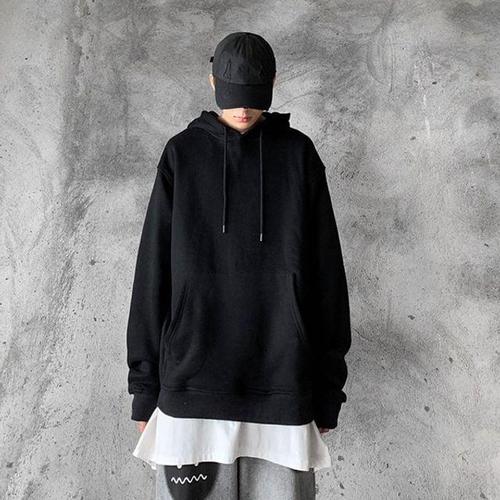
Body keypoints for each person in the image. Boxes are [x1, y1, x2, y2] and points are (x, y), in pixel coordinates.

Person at [126, 31, 352, 499]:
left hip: (282, 383)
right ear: (212, 82)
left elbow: (328, 277)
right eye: (233, 97)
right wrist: (144, 386)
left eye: (253, 97)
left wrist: (328, 388)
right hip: (191, 387)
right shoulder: (182, 154)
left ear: (274, 83)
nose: (243, 109)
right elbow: (153, 273)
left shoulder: (299, 156)